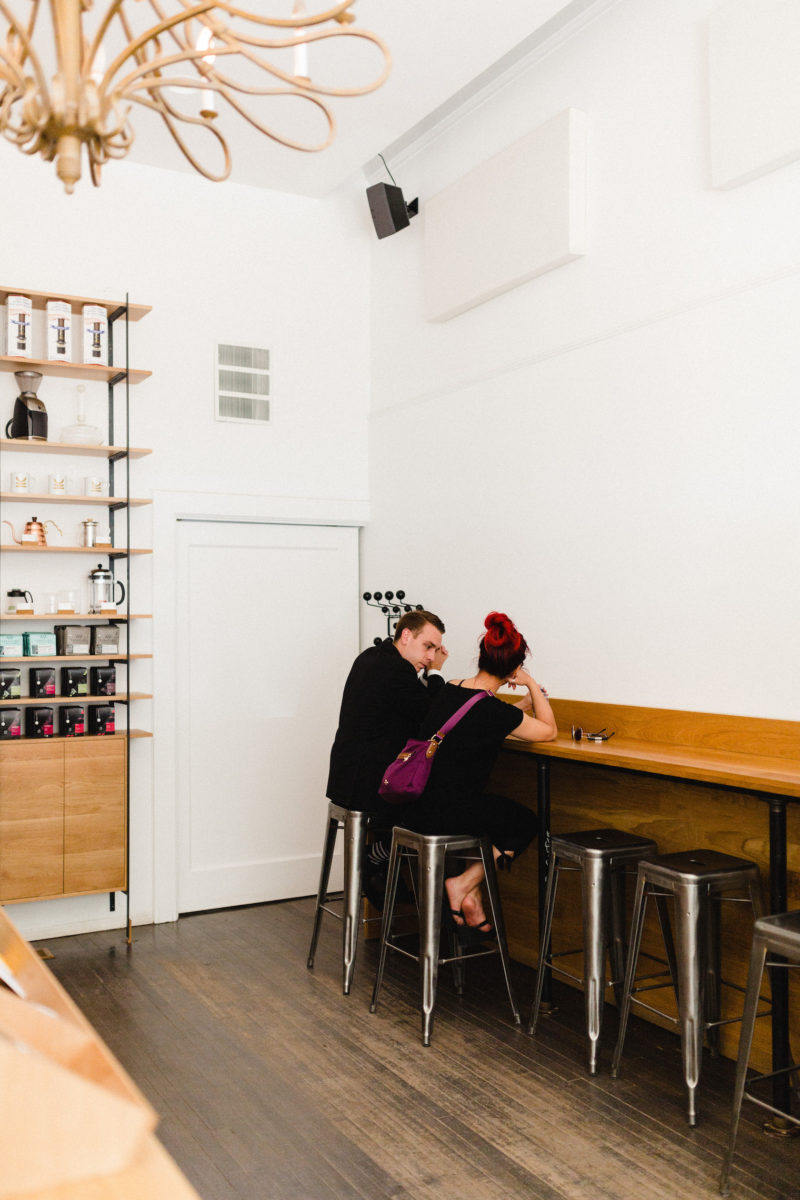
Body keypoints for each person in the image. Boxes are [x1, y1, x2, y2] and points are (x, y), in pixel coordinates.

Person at [398, 611, 557, 934]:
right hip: (445, 815)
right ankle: (462, 884)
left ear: (482, 656)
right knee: (525, 822)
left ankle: (470, 895)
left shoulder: (453, 688)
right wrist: (529, 685)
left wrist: (521, 707)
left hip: (412, 806)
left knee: (488, 814)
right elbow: (549, 731)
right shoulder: (493, 712)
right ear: (513, 667)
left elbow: (479, 719)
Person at [326, 609, 449, 813]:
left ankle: (386, 845)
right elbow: (432, 716)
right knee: (438, 802)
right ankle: (388, 846)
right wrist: (436, 672)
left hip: (345, 779)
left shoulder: (371, 656)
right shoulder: (396, 669)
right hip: (368, 786)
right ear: (406, 635)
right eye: (428, 647)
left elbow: (414, 702)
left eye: (435, 650)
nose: (430, 657)